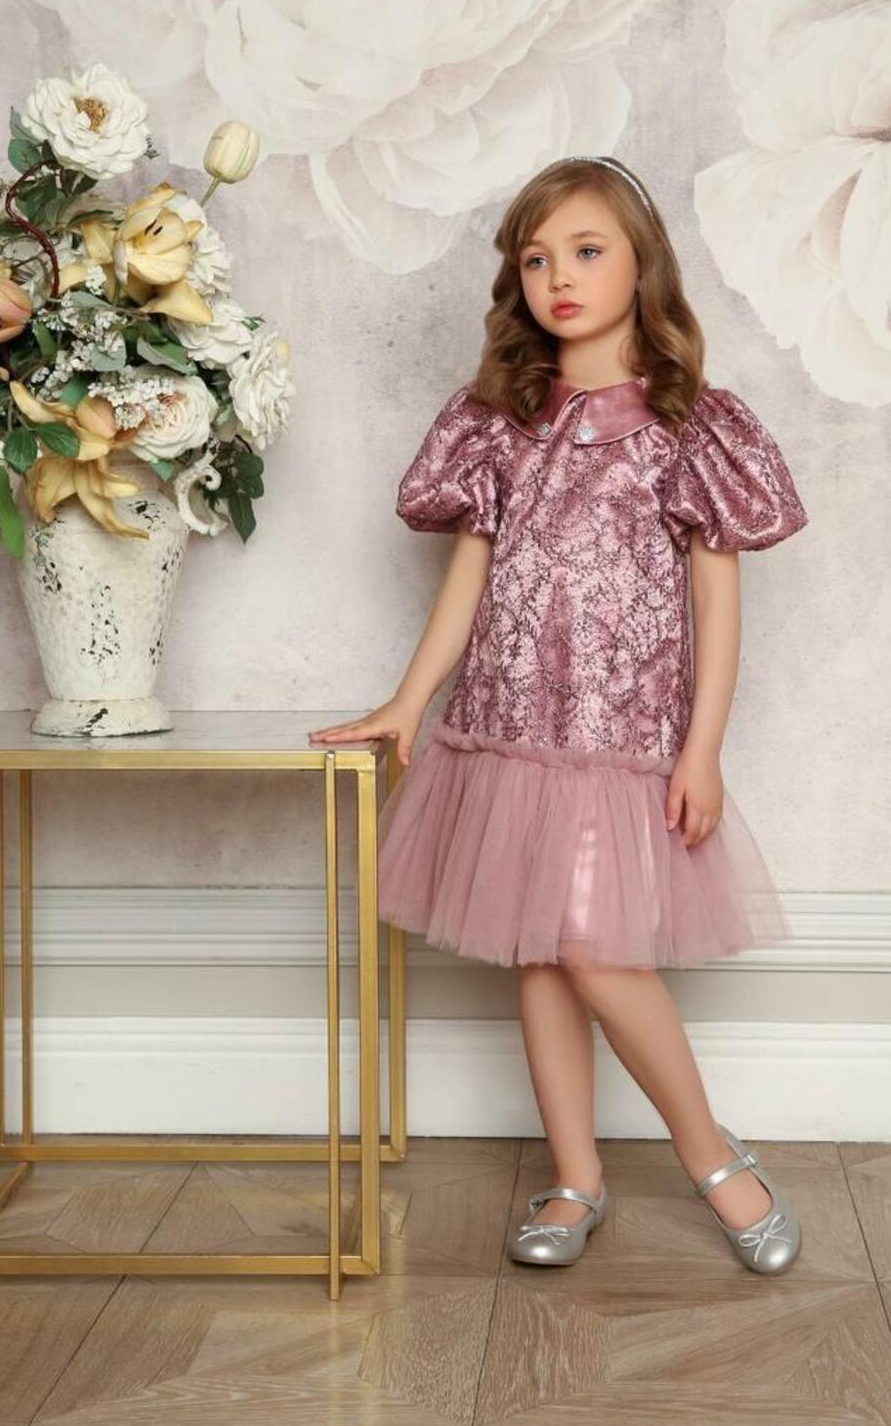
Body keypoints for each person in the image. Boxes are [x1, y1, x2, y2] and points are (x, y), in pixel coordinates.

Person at [309, 154, 809, 1275]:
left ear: (643, 263)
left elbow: (718, 607)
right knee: (541, 950)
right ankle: (575, 1177)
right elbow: (470, 577)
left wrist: (704, 750)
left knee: (590, 947)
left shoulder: (693, 426)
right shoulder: (499, 424)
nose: (560, 279)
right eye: (536, 260)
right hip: (508, 721)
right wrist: (408, 702)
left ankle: (713, 1157)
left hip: (623, 732)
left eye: (586, 251)